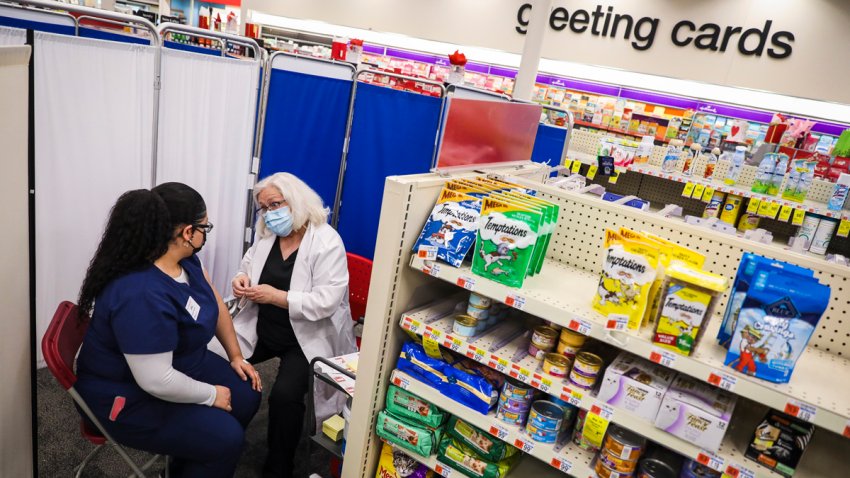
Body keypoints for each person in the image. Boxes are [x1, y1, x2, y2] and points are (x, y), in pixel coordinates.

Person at [75, 182, 262, 478]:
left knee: (247, 395)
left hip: (178, 360)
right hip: (127, 393)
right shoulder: (140, 293)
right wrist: (210, 394)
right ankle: (205, 451)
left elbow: (214, 305)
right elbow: (156, 379)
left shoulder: (185, 260)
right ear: (188, 232)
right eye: (205, 227)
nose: (205, 233)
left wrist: (236, 356)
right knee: (226, 438)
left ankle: (188, 460)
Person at [209, 172, 357, 478]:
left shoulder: (326, 242)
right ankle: (216, 438)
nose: (270, 214)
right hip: (264, 327)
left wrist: (278, 296)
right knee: (217, 359)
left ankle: (279, 466)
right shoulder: (267, 235)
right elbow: (248, 265)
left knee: (284, 397)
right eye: (264, 208)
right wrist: (241, 279)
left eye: (275, 205)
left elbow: (327, 301)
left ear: (296, 201)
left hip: (306, 338)